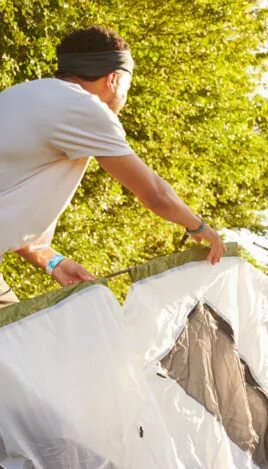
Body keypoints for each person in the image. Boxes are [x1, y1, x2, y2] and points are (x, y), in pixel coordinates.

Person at [0, 26, 223, 308]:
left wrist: (54, 262)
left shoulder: (20, 96)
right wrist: (199, 227)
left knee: (16, 344)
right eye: (127, 88)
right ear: (114, 79)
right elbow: (155, 194)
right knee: (19, 349)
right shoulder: (83, 108)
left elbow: (15, 222)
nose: (125, 100)